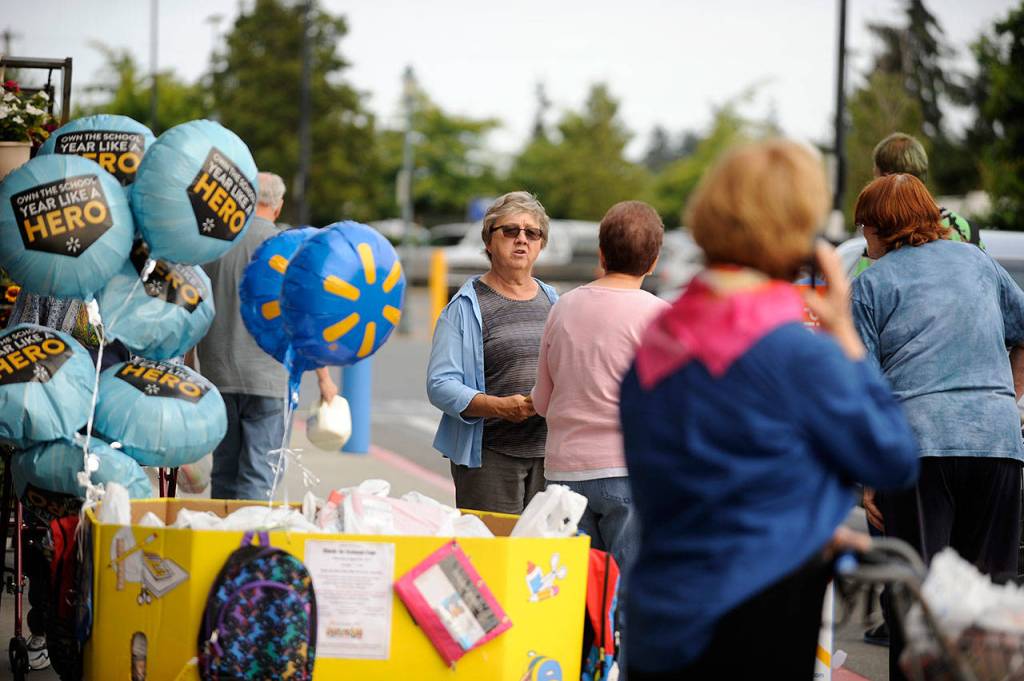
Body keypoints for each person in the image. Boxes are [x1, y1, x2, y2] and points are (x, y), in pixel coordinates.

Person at [619, 140, 920, 680]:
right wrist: (845, 333)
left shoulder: (660, 339)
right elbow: (892, 456)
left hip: (657, 618)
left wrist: (803, 518)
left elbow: (714, 476)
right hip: (753, 626)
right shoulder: (792, 354)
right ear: (797, 227)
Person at [850, 173, 1024, 681]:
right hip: (996, 443)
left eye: (864, 225)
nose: (864, 237)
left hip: (917, 447)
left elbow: (863, 389)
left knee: (914, 594)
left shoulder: (872, 284)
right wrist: (1008, 396)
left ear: (882, 226)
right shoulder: (979, 264)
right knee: (985, 597)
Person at [532, 200, 667, 568]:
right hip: (629, 471)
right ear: (654, 260)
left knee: (575, 595)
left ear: (601, 254)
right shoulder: (659, 316)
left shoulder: (563, 307)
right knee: (625, 592)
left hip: (563, 475)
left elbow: (542, 401)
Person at [198, 171, 337, 501]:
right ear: (279, 205)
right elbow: (308, 316)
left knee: (224, 470)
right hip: (270, 377)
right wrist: (324, 378)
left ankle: (222, 542)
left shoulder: (214, 247)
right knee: (260, 473)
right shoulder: (289, 249)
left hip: (217, 374)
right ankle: (249, 546)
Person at [426, 191, 558, 514]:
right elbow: (440, 384)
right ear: (488, 241)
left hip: (549, 458)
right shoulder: (466, 306)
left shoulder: (554, 300)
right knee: (492, 558)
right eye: (510, 231)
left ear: (541, 244)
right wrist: (498, 407)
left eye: (532, 232)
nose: (522, 240)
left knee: (539, 561)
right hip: (490, 458)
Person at [853, 132, 982, 276]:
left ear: (887, 179)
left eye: (875, 176)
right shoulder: (966, 229)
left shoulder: (885, 233)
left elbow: (862, 291)